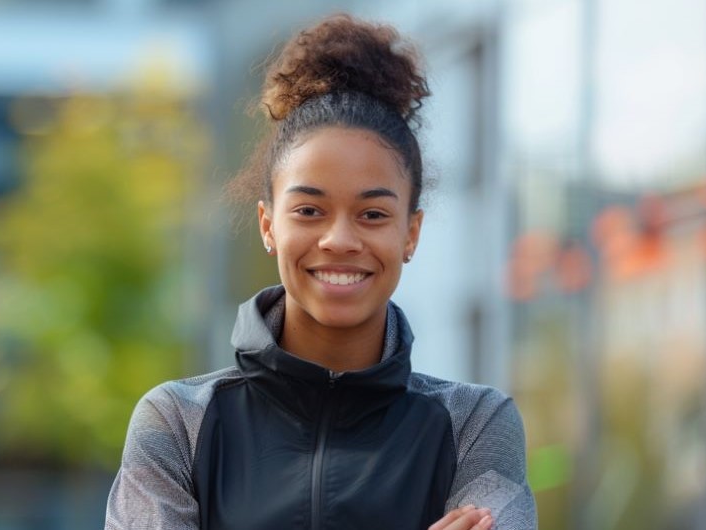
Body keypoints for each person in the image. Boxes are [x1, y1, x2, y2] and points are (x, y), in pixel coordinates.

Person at [105, 14, 537, 530]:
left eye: (373, 214)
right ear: (268, 225)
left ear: (410, 234)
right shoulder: (178, 423)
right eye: (309, 210)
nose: (339, 239)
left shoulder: (475, 425)